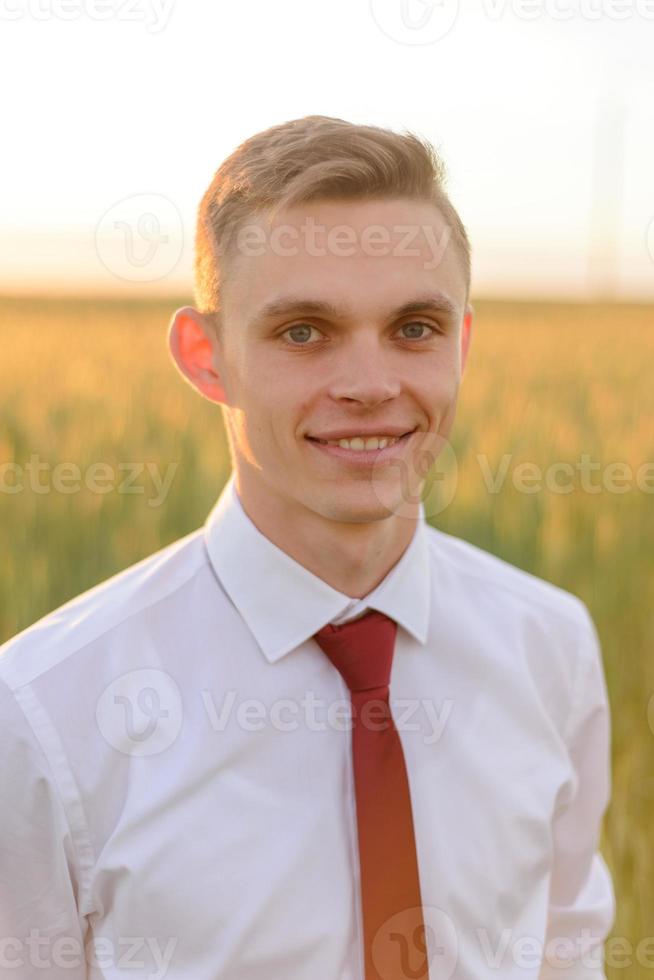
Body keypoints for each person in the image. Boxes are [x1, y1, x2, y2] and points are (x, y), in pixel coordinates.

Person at [0, 115, 614, 980]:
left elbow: (567, 951)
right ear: (206, 356)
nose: (370, 385)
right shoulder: (42, 715)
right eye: (303, 332)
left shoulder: (551, 644)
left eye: (414, 328)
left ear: (463, 344)